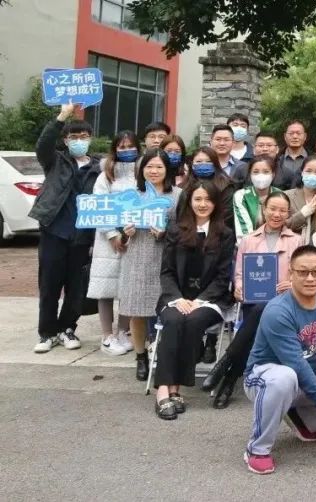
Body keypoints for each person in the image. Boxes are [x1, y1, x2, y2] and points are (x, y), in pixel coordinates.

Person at [242, 245, 316, 475]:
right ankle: (257, 449)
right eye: (303, 272)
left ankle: (301, 419)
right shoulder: (278, 310)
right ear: (291, 273)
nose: (310, 278)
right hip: (265, 377)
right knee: (285, 377)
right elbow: (294, 361)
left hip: (308, 376)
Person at [203, 192, 304, 410]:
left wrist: (291, 283)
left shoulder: (297, 240)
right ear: (264, 209)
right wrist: (239, 288)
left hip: (285, 303)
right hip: (253, 302)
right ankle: (228, 378)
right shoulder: (249, 240)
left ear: (288, 214)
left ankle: (226, 369)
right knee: (258, 315)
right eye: (272, 209)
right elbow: (239, 273)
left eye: (282, 210)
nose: (277, 214)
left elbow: (302, 272)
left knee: (262, 311)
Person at [153, 181, 236, 419]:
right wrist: (177, 298)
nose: (202, 204)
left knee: (192, 321)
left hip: (210, 300)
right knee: (173, 320)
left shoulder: (225, 234)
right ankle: (164, 390)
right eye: (198, 199)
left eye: (208, 200)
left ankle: (176, 386)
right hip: (176, 297)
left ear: (215, 203)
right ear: (189, 201)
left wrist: (199, 300)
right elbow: (167, 272)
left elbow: (222, 277)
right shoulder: (175, 230)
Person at [31, 102, 102, 354]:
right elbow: (43, 145)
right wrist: (62, 116)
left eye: (83, 136)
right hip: (55, 231)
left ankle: (67, 328)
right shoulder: (55, 161)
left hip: (83, 236)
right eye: (74, 137)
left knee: (77, 287)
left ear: (90, 138)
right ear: (65, 140)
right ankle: (47, 333)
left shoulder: (100, 167)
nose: (79, 141)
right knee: (49, 285)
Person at [117, 150, 181, 380]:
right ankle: (141, 356)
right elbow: (119, 227)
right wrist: (125, 232)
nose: (154, 171)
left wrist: (165, 232)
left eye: (159, 167)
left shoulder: (178, 195)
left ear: (168, 170)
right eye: (149, 166)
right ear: (141, 170)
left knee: (166, 311)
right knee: (137, 311)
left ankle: (162, 354)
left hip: (165, 259)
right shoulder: (131, 195)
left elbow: (184, 228)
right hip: (136, 258)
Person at [87, 131, 139, 356]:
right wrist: (111, 234)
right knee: (106, 288)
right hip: (107, 240)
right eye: (122, 147)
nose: (127, 150)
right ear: (115, 149)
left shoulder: (143, 172)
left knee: (129, 287)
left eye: (131, 146)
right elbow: (99, 206)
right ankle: (107, 336)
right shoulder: (105, 175)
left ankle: (123, 332)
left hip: (135, 238)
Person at [183, 146, 237, 229]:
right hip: (188, 230)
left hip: (218, 230)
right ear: (192, 165)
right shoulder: (184, 186)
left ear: (215, 164)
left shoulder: (226, 186)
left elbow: (226, 215)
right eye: (199, 161)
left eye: (208, 161)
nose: (203, 164)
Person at [233, 155, 283, 238]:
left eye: (266, 172)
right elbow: (244, 230)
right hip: (248, 242)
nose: (261, 176)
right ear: (250, 174)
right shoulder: (241, 196)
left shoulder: (280, 194)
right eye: (256, 172)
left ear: (273, 174)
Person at [285, 156, 316, 241]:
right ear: (302, 172)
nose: (312, 175)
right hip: (293, 245)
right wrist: (302, 214)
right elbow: (281, 225)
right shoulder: (287, 196)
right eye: (308, 171)